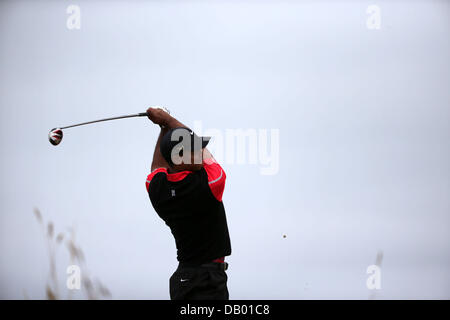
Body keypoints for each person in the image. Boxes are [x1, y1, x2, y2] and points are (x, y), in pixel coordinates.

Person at [145, 107, 232, 300]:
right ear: (179, 157)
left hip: (183, 279)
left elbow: (157, 167)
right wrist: (167, 119)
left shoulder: (158, 189)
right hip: (208, 280)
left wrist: (163, 128)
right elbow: (209, 157)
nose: (201, 152)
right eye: (194, 149)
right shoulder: (210, 184)